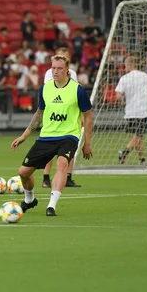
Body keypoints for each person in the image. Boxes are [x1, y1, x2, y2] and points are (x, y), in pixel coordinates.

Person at [11, 54, 93, 216]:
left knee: (62, 164)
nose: (56, 71)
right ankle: (29, 200)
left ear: (67, 70)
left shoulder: (78, 90)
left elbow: (88, 115)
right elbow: (39, 113)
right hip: (47, 136)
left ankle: (51, 206)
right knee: (23, 173)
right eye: (53, 68)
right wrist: (24, 135)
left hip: (69, 136)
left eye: (59, 68)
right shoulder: (46, 88)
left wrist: (87, 143)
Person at [42, 47, 81, 188]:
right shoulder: (49, 73)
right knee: (50, 149)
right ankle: (46, 177)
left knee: (70, 148)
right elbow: (47, 92)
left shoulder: (74, 74)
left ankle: (68, 177)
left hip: (70, 117)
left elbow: (76, 94)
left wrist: (80, 116)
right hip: (54, 115)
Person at [115, 56, 147, 164]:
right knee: (138, 136)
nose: (125, 68)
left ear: (129, 65)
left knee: (138, 136)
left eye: (125, 66)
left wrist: (122, 101)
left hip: (131, 111)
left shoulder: (124, 78)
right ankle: (124, 153)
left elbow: (118, 95)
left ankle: (142, 159)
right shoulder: (146, 77)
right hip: (144, 110)